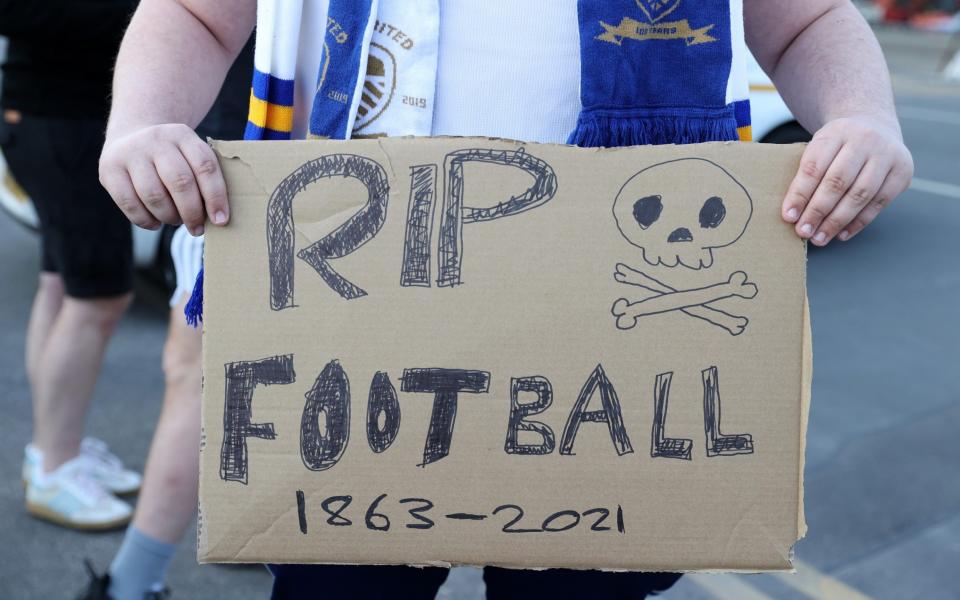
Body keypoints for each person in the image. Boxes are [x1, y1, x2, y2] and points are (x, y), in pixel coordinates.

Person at [97, 0, 914, 598]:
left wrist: (863, 115)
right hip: (355, 312)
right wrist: (141, 121)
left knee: (583, 592)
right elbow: (194, 15)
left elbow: (807, 19)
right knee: (339, 589)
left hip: (603, 333)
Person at [75, 38, 254, 600]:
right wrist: (137, 121)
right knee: (202, 380)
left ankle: (132, 581)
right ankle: (132, 580)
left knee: (200, 382)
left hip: (252, 177)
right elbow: (193, 17)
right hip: (250, 180)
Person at [0, 0, 142, 530]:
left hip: (60, 118)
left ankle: (55, 450)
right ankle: (54, 465)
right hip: (64, 124)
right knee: (99, 297)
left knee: (60, 285)